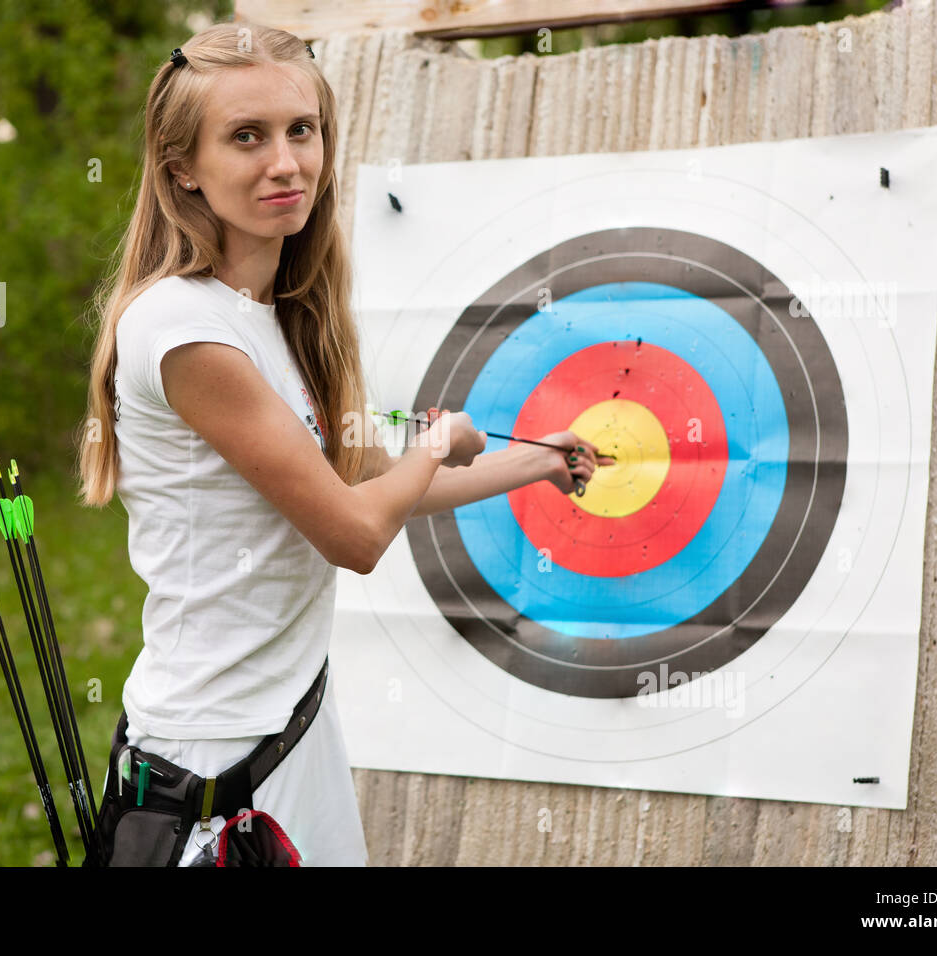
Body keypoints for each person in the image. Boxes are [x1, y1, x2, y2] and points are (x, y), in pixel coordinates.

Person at [75, 21, 609, 866]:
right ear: (183, 167)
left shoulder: (274, 317)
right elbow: (355, 533)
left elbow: (358, 475)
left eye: (302, 129)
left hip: (292, 725)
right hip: (212, 755)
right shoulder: (183, 329)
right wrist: (436, 444)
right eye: (245, 137)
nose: (285, 162)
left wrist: (535, 460)